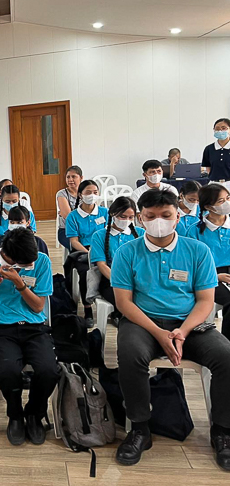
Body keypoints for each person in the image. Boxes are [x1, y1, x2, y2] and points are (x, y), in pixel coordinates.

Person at [111, 189, 230, 470]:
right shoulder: (126, 252)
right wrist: (158, 332)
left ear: (178, 215)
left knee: (226, 356)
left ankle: (222, 431)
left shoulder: (197, 251)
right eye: (151, 216)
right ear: (140, 219)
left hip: (190, 324)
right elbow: (124, 303)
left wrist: (182, 332)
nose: (159, 221)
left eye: (166, 215)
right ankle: (140, 428)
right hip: (144, 322)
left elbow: (205, 301)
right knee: (129, 354)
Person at [0, 227, 58, 446]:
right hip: (2, 328)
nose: (30, 266)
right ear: (9, 255)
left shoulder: (42, 262)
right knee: (8, 371)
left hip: (34, 328)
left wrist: (20, 283)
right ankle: (15, 415)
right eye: (26, 264)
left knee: (48, 371)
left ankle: (34, 414)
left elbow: (38, 307)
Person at [185, 183, 230, 341]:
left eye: (228, 198)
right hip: (207, 276)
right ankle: (227, 348)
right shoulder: (194, 231)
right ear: (208, 207)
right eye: (221, 201)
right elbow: (190, 265)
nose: (227, 203)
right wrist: (216, 277)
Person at [89, 197, 143, 324]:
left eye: (131, 217)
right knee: (126, 301)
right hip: (111, 281)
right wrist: (119, 281)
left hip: (137, 279)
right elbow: (101, 265)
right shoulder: (99, 235)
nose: (127, 221)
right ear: (113, 214)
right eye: (123, 217)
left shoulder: (141, 234)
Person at [64, 180, 109, 322]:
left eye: (95, 192)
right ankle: (87, 308)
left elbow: (109, 234)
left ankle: (114, 306)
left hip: (103, 248)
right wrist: (89, 253)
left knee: (113, 269)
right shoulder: (73, 216)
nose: (92, 195)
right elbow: (74, 241)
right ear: (80, 195)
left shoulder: (105, 212)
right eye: (88, 192)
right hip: (84, 250)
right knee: (85, 272)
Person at [56, 166, 84, 249]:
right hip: (66, 230)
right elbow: (69, 217)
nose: (70, 180)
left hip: (85, 229)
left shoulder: (86, 193)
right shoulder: (62, 194)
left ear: (81, 178)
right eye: (68, 177)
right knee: (79, 246)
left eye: (73, 177)